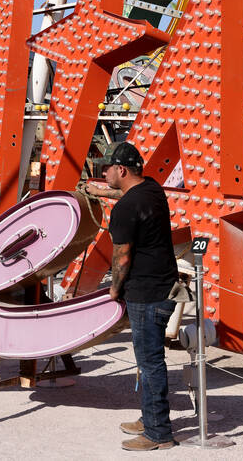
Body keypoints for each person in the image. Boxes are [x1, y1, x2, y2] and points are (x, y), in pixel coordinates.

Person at [95, 141, 178, 451]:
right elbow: (128, 194)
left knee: (150, 362)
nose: (102, 171)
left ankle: (159, 434)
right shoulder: (152, 190)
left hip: (145, 293)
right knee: (148, 361)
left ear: (122, 170)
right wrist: (100, 191)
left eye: (107, 167)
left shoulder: (126, 209)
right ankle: (150, 417)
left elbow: (123, 257)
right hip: (164, 286)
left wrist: (115, 290)